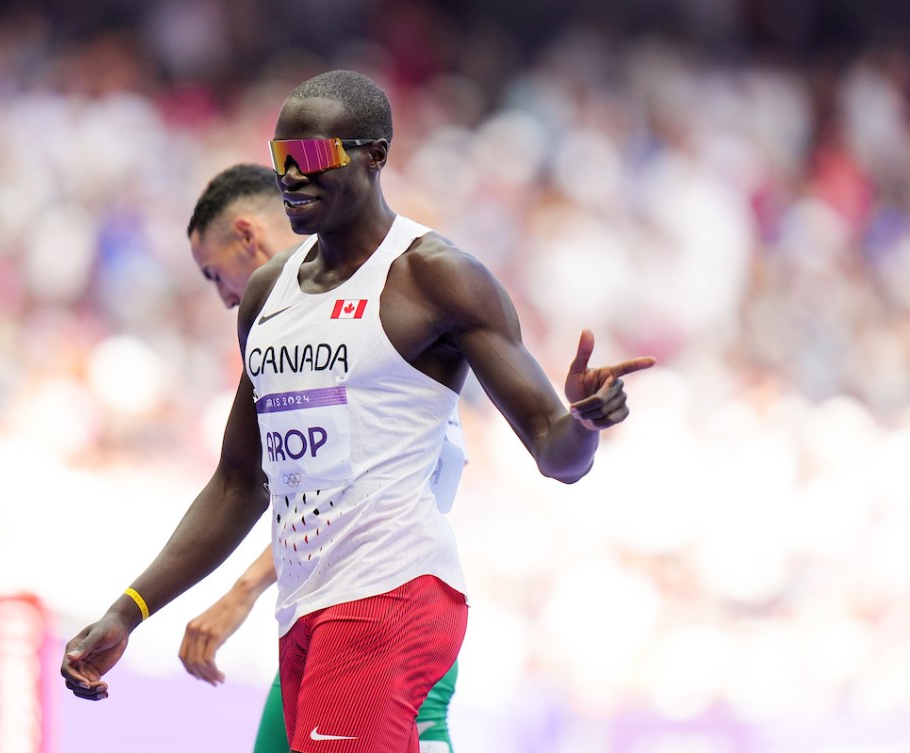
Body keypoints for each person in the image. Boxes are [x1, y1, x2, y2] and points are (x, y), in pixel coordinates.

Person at [60, 70, 655, 753]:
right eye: (282, 160)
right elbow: (235, 482)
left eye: (311, 159)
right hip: (304, 609)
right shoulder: (264, 296)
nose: (291, 178)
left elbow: (558, 456)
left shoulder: (433, 275)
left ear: (375, 155)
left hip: (391, 592)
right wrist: (128, 610)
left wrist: (581, 419)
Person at [181, 163, 463, 753]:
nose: (224, 295)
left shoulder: (376, 316)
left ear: (247, 237)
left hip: (385, 615)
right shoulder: (290, 325)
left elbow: (337, 502)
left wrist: (241, 591)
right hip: (319, 614)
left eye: (215, 274)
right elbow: (294, 493)